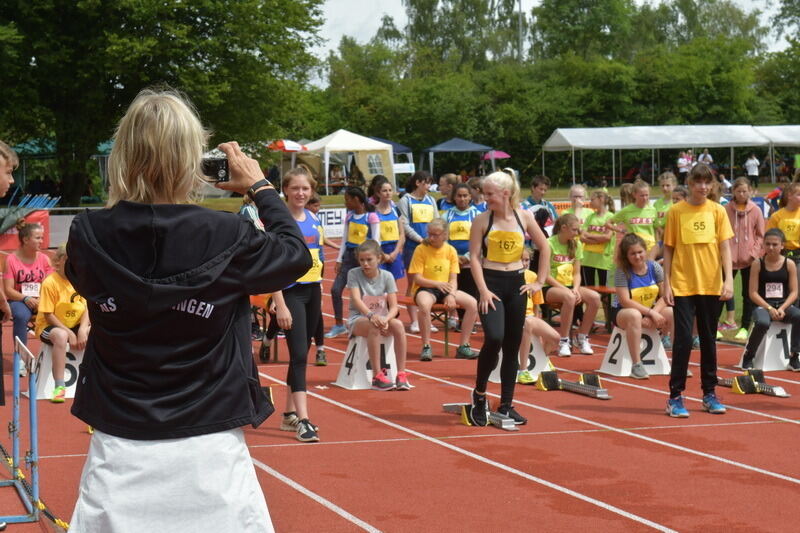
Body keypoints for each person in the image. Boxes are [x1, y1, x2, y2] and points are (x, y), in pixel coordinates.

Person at [65, 88, 312, 531]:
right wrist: (259, 188)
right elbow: (295, 256)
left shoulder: (88, 233)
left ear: (124, 154)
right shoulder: (226, 233)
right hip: (210, 440)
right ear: (190, 158)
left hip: (120, 437)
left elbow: (87, 276)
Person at [467, 171, 551, 427]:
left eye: (489, 194)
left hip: (516, 284)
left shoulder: (523, 217)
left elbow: (545, 247)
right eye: (484, 193)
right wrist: (482, 290)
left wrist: (539, 281)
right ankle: (479, 394)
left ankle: (506, 403)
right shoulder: (482, 220)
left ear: (505, 194)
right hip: (490, 284)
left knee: (512, 345)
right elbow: (474, 257)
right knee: (494, 338)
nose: (485, 198)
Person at [663, 163, 734, 418]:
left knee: (708, 340)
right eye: (698, 182)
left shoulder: (718, 211)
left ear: (712, 185)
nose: (703, 187)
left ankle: (709, 393)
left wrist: (728, 280)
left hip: (711, 284)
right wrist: (666, 282)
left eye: (707, 183)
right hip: (683, 284)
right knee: (683, 340)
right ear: (690, 184)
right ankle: (675, 396)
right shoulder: (676, 211)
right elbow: (668, 248)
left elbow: (725, 247)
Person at [270, 167, 326, 442]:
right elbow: (271, 266)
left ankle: (288, 415)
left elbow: (319, 257)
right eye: (295, 188)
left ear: (311, 190)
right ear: (285, 190)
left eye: (305, 188)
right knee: (300, 356)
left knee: (301, 353)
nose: (301, 193)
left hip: (313, 290)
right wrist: (279, 303)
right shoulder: (280, 223)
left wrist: (320, 287)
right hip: (291, 293)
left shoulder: (314, 219)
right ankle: (304, 420)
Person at [408, 218, 479, 361]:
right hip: (426, 288)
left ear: (445, 235)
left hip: (446, 288)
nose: (431, 238)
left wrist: (451, 295)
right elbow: (417, 278)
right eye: (429, 234)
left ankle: (464, 346)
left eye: (435, 235)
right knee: (424, 305)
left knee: (472, 304)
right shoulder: (421, 249)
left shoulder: (451, 251)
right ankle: (426, 346)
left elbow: (453, 279)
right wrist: (436, 284)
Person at [346, 240, 411, 389]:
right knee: (373, 326)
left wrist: (386, 319)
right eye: (362, 260)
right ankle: (377, 376)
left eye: (369, 260)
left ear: (379, 258)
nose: (365, 264)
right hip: (359, 318)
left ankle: (401, 374)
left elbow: (394, 307)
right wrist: (371, 316)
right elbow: (356, 299)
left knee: (399, 325)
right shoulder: (353, 274)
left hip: (382, 318)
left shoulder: (387, 276)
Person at [611, 234, 674, 379]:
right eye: (633, 254)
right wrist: (650, 313)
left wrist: (653, 313)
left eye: (640, 252)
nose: (637, 256)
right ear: (626, 256)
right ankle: (636, 365)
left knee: (671, 312)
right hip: (623, 312)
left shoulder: (654, 267)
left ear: (646, 251)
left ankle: (677, 363)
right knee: (634, 315)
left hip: (649, 311)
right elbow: (625, 301)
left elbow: (666, 296)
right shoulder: (622, 271)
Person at [33, 245, 90, 402]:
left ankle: (95, 381)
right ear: (57, 262)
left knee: (99, 331)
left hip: (76, 324)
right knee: (61, 336)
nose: (73, 263)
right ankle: (59, 386)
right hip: (49, 326)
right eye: (68, 259)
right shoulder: (50, 283)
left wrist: (83, 329)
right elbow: (48, 315)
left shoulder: (80, 280)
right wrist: (69, 332)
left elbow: (87, 307)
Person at [741, 228, 800, 371]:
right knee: (762, 322)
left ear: (782, 245)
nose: (771, 247)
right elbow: (753, 293)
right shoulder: (757, 264)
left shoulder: (789, 264)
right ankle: (749, 355)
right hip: (763, 305)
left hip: (783, 305)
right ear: (763, 245)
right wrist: (769, 308)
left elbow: (794, 292)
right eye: (767, 244)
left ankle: (794, 356)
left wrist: (782, 308)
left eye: (775, 244)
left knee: (798, 316)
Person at [543, 214, 601, 356]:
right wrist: (566, 290)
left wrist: (575, 288)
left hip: (570, 286)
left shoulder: (576, 244)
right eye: (575, 230)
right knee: (569, 297)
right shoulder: (549, 243)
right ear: (564, 228)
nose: (577, 233)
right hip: (550, 287)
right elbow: (546, 275)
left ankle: (582, 337)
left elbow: (576, 273)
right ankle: (563, 341)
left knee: (595, 297)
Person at [326, 187, 380, 338]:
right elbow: (344, 239)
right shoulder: (349, 217)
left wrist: (373, 260)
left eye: (347, 200)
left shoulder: (371, 217)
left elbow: (376, 241)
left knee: (366, 293)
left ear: (356, 200)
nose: (345, 203)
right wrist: (339, 259)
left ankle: (370, 323)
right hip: (349, 258)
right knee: (335, 290)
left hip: (365, 258)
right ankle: (339, 325)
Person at [397, 171, 438, 332]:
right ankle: (414, 321)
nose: (429, 186)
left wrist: (434, 238)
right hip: (413, 247)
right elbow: (404, 224)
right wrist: (420, 239)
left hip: (430, 247)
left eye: (430, 183)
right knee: (413, 283)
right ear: (418, 183)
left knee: (430, 282)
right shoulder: (405, 200)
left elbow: (436, 220)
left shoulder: (431, 200)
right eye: (426, 183)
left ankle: (426, 318)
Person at [3, 220, 53, 350]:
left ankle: (56, 351)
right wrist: (26, 298)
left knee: (61, 311)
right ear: (25, 240)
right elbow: (8, 290)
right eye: (38, 238)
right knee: (21, 316)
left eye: (42, 238)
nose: (41, 241)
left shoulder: (44, 259)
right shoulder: (11, 260)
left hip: (42, 299)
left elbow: (50, 285)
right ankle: (20, 355)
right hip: (19, 300)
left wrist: (41, 299)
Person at [725, 178, 764, 342]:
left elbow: (761, 235)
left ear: (750, 192)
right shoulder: (725, 209)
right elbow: (720, 234)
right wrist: (725, 253)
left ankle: (745, 327)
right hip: (729, 259)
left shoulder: (756, 210)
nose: (741, 194)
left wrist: (753, 254)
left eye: (745, 191)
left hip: (749, 260)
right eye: (739, 191)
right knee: (723, 292)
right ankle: (715, 325)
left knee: (748, 294)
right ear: (733, 191)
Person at [517, 247, 559, 384]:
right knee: (528, 324)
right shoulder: (510, 277)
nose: (524, 263)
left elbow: (536, 306)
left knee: (555, 338)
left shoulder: (533, 277)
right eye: (521, 260)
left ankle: (543, 358)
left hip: (530, 316)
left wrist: (538, 326)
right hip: (515, 317)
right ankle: (522, 371)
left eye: (527, 260)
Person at [766, 181, 800, 307]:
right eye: (799, 195)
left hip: (798, 257)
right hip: (780, 257)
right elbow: (769, 238)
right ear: (789, 196)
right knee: (782, 290)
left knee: (797, 290)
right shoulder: (777, 216)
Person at [607, 179, 658, 259]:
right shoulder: (627, 210)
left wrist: (657, 245)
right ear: (634, 195)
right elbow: (608, 223)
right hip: (634, 249)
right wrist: (621, 230)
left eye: (647, 195)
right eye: (642, 195)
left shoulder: (653, 210)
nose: (645, 198)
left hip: (649, 249)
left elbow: (656, 229)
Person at [580, 190, 615, 288]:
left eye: (592, 200)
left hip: (603, 259)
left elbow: (607, 237)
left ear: (601, 199)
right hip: (588, 258)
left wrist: (589, 235)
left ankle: (604, 300)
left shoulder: (610, 217)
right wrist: (599, 239)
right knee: (589, 288)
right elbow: (582, 237)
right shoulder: (590, 217)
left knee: (604, 289)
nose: (590, 202)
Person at [374, 180, 406, 281]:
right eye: (384, 191)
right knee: (380, 283)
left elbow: (402, 234)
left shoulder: (396, 210)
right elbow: (371, 236)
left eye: (390, 190)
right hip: (379, 251)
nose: (388, 193)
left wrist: (395, 253)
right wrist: (383, 255)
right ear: (378, 193)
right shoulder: (373, 212)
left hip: (394, 250)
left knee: (392, 283)